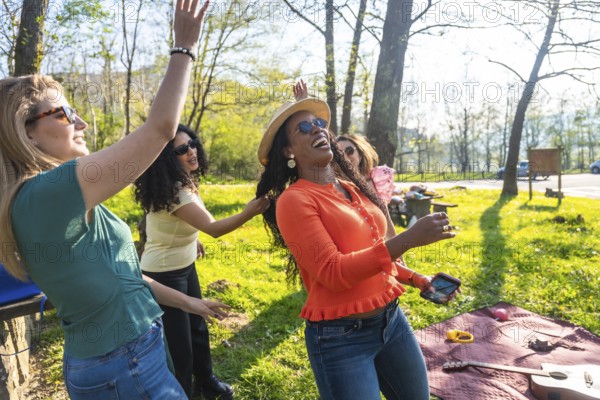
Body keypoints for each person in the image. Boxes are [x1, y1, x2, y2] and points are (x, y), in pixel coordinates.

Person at [0, 1, 230, 399]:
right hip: (124, 367)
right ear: (27, 132)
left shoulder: (49, 197)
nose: (81, 122)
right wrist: (184, 47)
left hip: (126, 358)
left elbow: (125, 278)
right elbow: (161, 129)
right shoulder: (47, 193)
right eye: (64, 111)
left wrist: (189, 304)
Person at [255, 97, 458, 400]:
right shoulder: (294, 201)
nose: (317, 130)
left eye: (321, 124)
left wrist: (417, 278)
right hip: (341, 339)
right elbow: (334, 272)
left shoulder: (350, 187)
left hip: (392, 323)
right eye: (305, 128)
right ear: (288, 151)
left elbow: (374, 254)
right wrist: (409, 238)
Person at [133, 123, 269, 399]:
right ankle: (182, 392)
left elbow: (175, 221)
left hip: (184, 266)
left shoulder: (184, 181)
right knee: (179, 345)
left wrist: (191, 238)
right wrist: (249, 212)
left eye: (192, 143)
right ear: (167, 159)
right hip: (162, 275)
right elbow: (214, 228)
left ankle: (206, 380)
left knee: (197, 328)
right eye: (182, 149)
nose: (191, 150)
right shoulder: (173, 191)